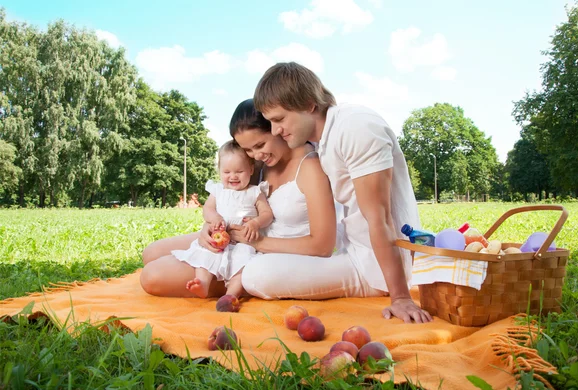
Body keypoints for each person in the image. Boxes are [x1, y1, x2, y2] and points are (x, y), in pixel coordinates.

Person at [247, 62, 432, 323]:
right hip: (351, 251)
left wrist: (400, 297)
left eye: (279, 119)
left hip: (373, 269)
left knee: (257, 275)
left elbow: (379, 218)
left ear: (309, 104)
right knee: (254, 265)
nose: (275, 130)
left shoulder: (356, 128)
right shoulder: (325, 138)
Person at [139, 99, 337, 298]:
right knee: (151, 253)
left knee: (152, 277)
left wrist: (258, 243)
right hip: (234, 238)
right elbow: (232, 199)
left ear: (276, 128)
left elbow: (322, 246)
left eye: (260, 145)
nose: (256, 155)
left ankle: (234, 282)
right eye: (249, 150)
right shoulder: (262, 163)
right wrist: (208, 229)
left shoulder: (310, 167)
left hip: (261, 254)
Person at [170, 140, 273, 299]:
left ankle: (231, 294)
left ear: (251, 169)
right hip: (217, 241)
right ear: (219, 171)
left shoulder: (255, 192)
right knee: (205, 256)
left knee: (242, 265)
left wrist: (255, 222)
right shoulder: (218, 190)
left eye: (239, 171)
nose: (233, 176)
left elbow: (267, 214)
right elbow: (207, 209)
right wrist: (214, 218)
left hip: (243, 243)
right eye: (227, 172)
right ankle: (202, 284)